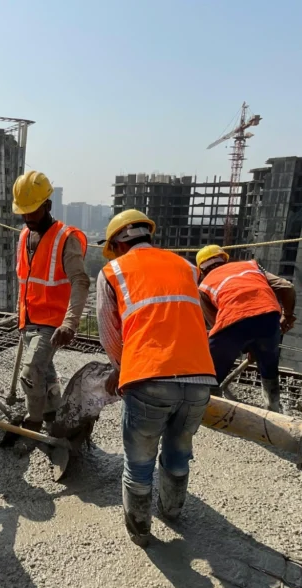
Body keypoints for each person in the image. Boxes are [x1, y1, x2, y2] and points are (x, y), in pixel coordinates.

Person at [97, 210, 217, 546]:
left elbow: (108, 332)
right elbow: (206, 315)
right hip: (199, 378)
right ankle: (173, 512)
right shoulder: (187, 267)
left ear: (119, 243)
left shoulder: (114, 271)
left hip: (148, 377)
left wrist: (122, 368)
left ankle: (140, 531)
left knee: (139, 461)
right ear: (148, 236)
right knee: (178, 452)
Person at [6, 170, 89, 445]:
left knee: (31, 374)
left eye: (34, 212)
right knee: (46, 372)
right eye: (24, 213)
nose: (28, 218)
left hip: (52, 322)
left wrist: (70, 323)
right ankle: (54, 414)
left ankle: (34, 421)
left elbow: (80, 281)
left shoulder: (67, 239)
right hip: (28, 320)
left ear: (48, 206)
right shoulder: (23, 236)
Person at [195, 245, 296, 413]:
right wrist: (288, 315)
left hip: (232, 322)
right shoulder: (250, 266)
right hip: (269, 317)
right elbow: (287, 287)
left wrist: (241, 342)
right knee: (269, 367)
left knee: (211, 373)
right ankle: (273, 411)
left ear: (202, 270)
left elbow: (218, 324)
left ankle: (207, 411)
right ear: (224, 259)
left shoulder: (204, 286)